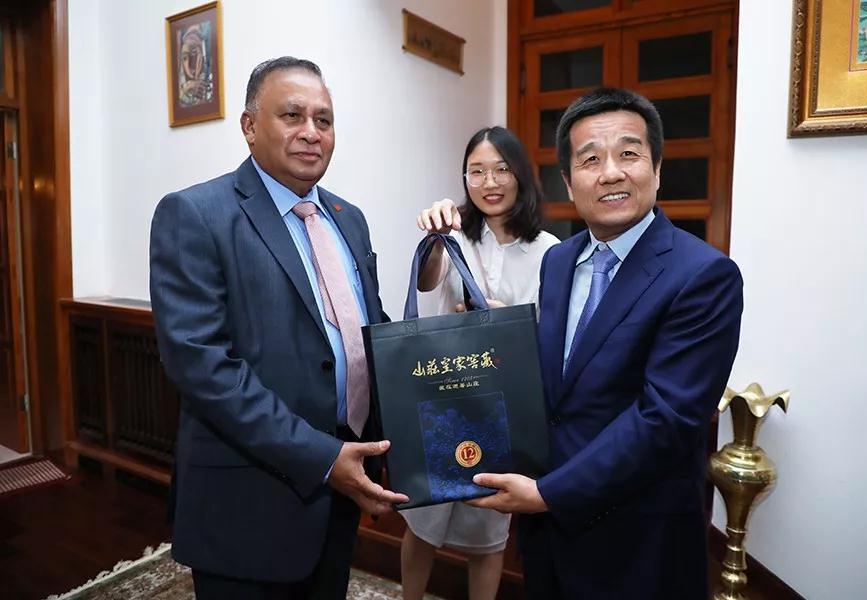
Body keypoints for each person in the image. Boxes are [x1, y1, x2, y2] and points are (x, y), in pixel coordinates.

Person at [466, 88, 744, 598]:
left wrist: (548, 493)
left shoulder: (704, 275)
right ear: (569, 181)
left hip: (637, 540)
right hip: (547, 534)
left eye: (629, 153)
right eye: (590, 159)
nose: (610, 173)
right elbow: (555, 386)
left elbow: (665, 420)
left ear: (656, 169)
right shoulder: (558, 260)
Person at [149, 56, 407, 600]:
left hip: (341, 491)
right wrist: (323, 459)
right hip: (248, 504)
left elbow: (367, 333)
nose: (312, 132)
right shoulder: (195, 213)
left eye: (324, 119)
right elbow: (203, 367)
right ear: (249, 126)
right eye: (292, 115)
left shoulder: (349, 218)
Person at [400, 126, 559, 600]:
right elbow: (427, 282)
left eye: (501, 169)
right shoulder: (455, 236)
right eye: (477, 171)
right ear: (464, 178)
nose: (489, 182)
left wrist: (503, 319)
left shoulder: (549, 250)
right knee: (422, 522)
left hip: (501, 408)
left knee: (490, 532)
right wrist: (435, 236)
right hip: (443, 400)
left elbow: (550, 337)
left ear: (520, 175)